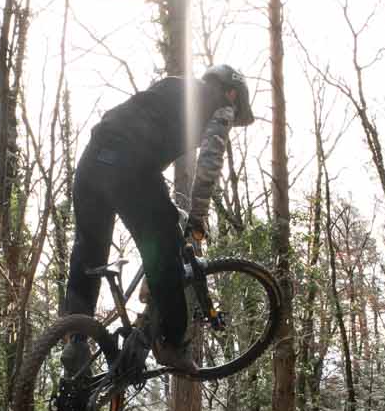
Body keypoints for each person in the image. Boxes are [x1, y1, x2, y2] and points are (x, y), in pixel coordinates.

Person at [62, 63, 256, 374]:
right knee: (164, 254)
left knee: (89, 251)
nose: (232, 120)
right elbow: (208, 165)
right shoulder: (219, 104)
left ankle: (76, 340)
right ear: (231, 93)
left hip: (92, 161)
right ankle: (172, 344)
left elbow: (139, 117)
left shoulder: (173, 84)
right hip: (129, 167)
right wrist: (196, 218)